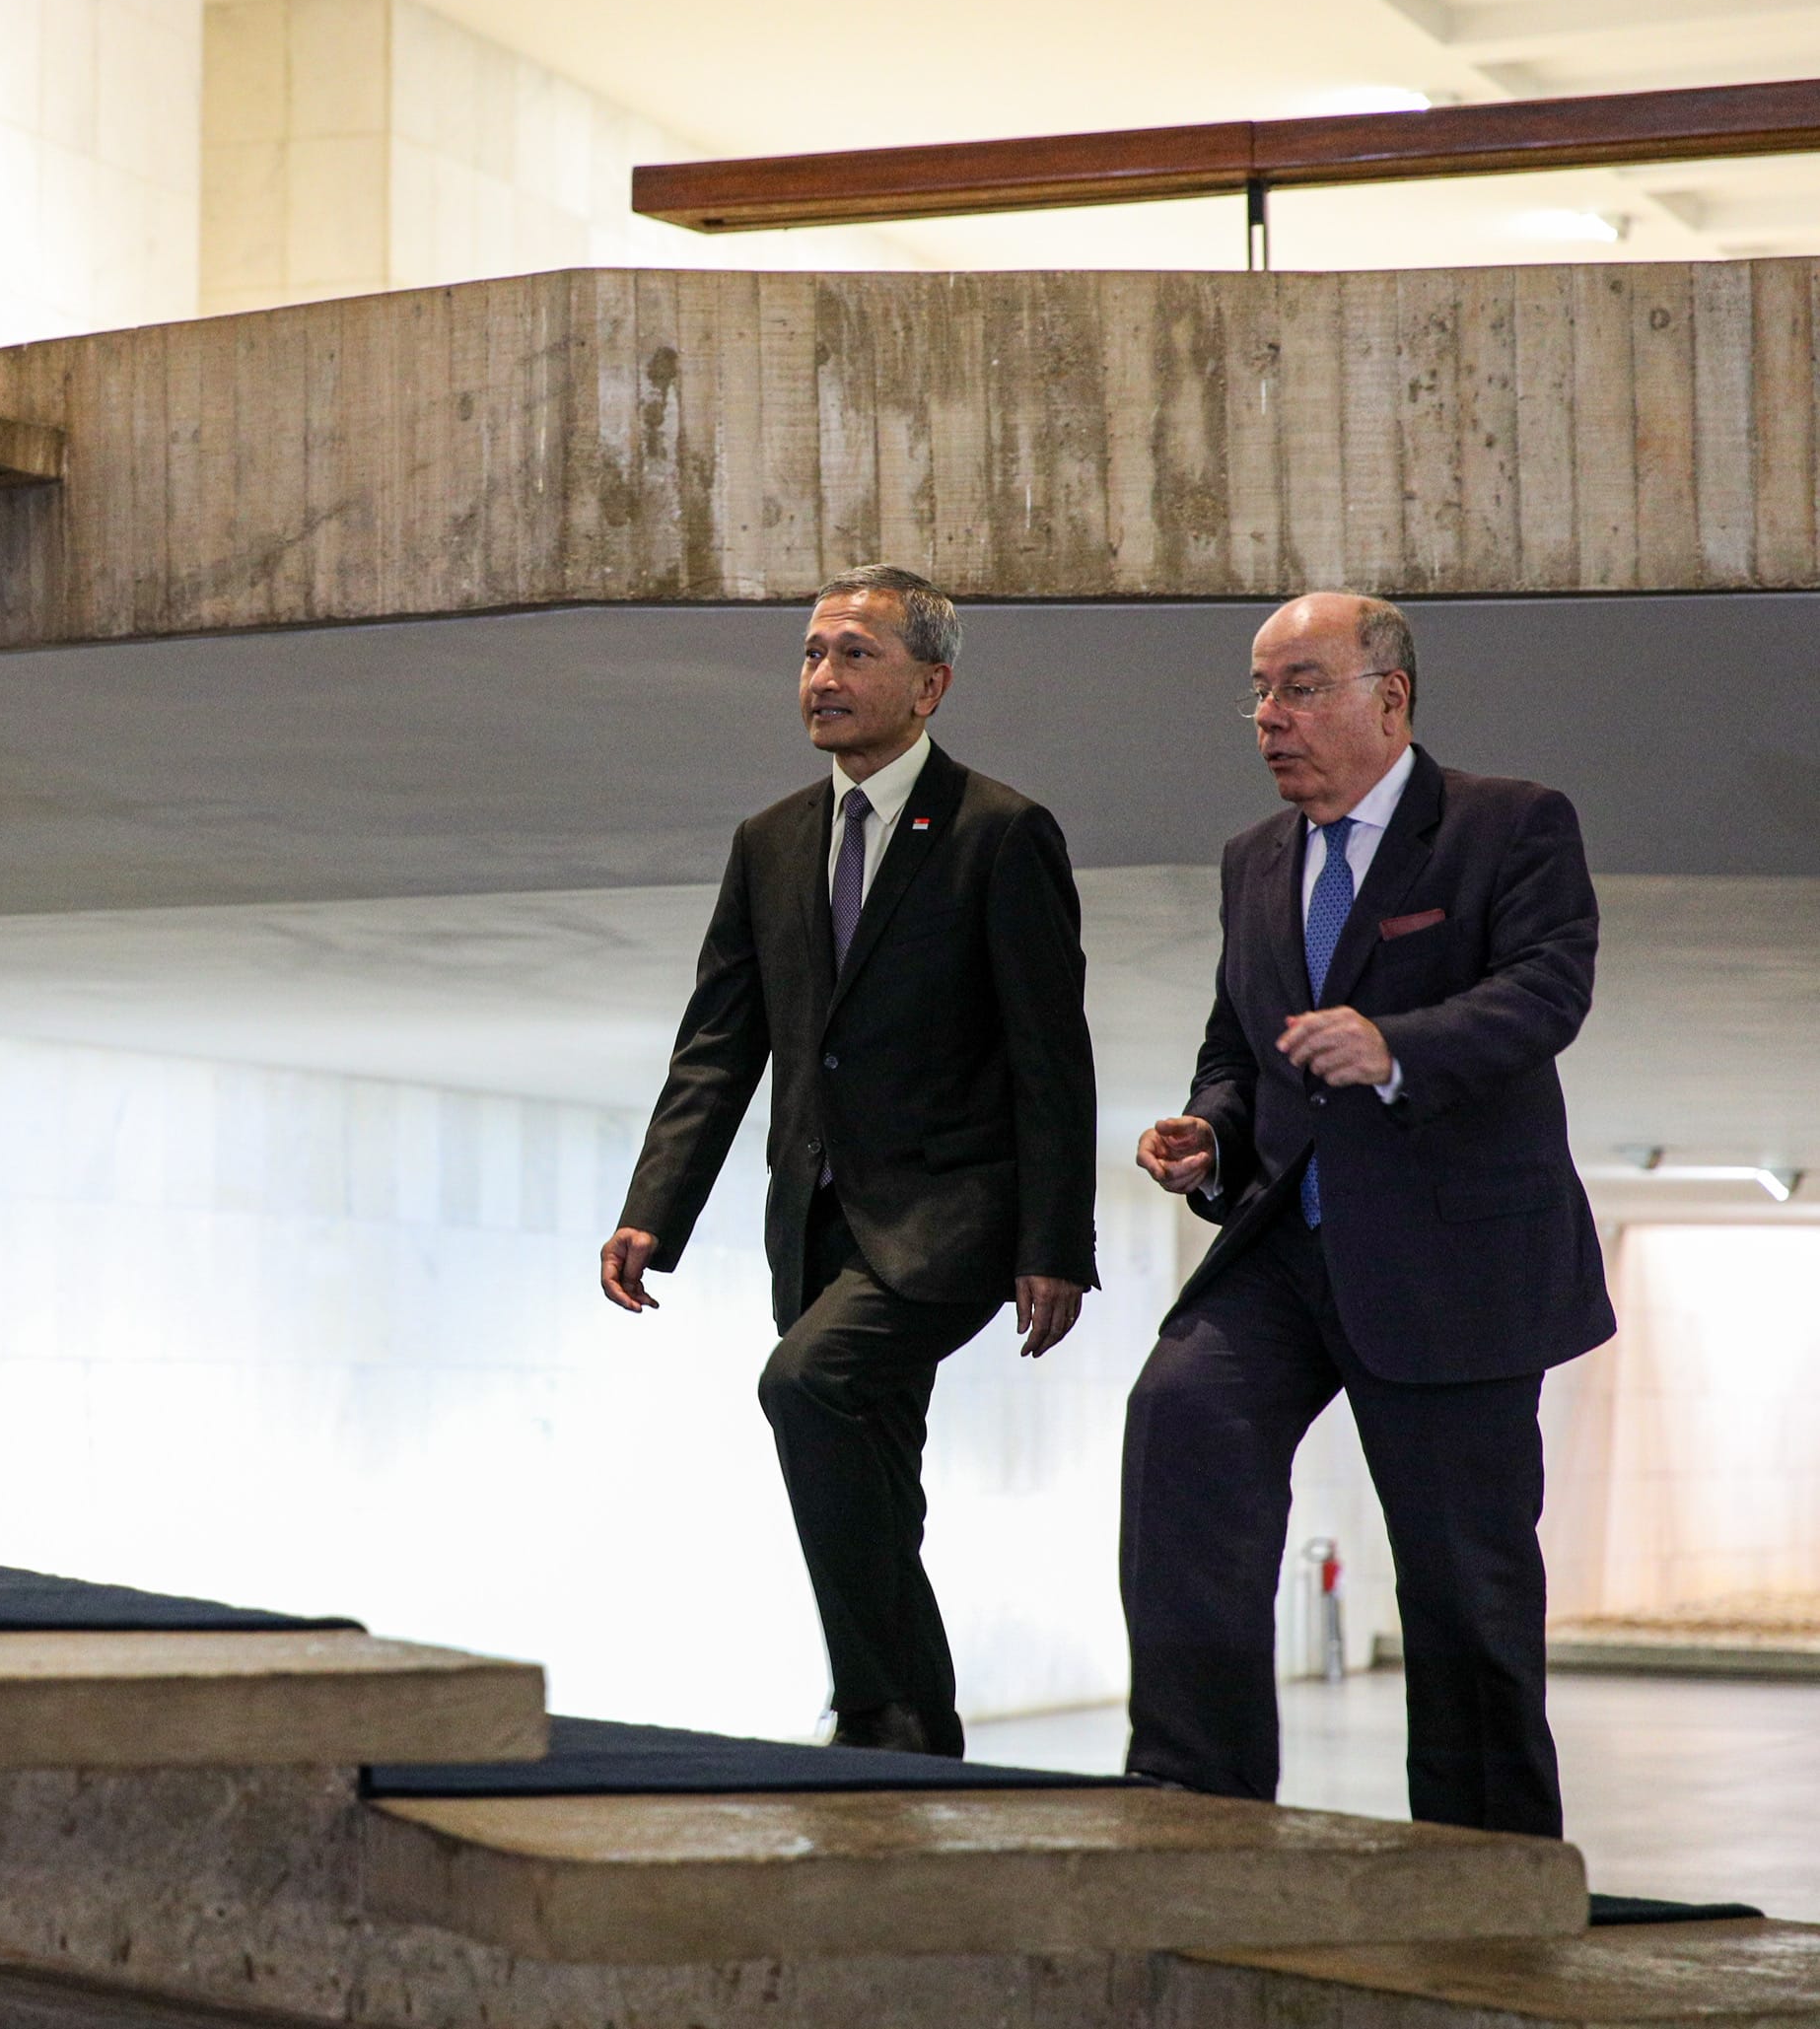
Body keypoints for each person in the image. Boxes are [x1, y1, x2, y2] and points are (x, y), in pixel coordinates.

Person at [1125, 591, 1612, 1837]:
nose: (1267, 720)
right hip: (1285, 1243)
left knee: (1463, 1588)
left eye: (1298, 688)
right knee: (1181, 1420)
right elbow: (1238, 1045)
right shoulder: (1254, 860)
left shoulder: (1510, 825)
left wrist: (1394, 1044)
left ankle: (1486, 1865)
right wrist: (1210, 1131)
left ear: (1387, 699)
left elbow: (1546, 990)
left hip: (1456, 1258)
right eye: (1259, 691)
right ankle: (1198, 1808)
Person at [599, 563, 1099, 1758]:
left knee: (804, 1384)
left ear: (928, 685)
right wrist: (650, 1212)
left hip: (949, 1217)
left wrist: (1054, 1245)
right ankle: (917, 1728)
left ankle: (877, 1705)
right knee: (874, 1472)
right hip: (814, 1219)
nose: (823, 676)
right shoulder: (770, 840)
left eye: (855, 654)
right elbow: (718, 1046)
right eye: (812, 653)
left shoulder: (1000, 831)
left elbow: (1049, 1054)